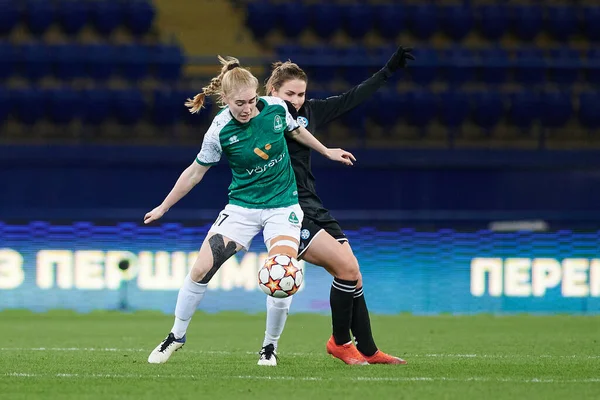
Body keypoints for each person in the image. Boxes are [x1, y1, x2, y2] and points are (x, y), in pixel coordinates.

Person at [145, 56, 355, 364]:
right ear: (226, 100)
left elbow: (295, 131)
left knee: (282, 270)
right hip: (242, 207)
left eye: (252, 100)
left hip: (282, 206)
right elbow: (194, 172)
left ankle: (269, 347)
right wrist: (164, 206)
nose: (247, 108)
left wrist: (326, 151)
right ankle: (176, 335)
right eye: (240, 103)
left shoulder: (275, 109)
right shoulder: (219, 131)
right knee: (201, 268)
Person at [256, 46, 415, 366]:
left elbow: (351, 98)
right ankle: (341, 343)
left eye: (301, 94)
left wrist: (387, 72)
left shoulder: (309, 113)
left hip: (312, 204)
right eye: (290, 94)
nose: (297, 101)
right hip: (285, 209)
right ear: (272, 91)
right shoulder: (263, 117)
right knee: (347, 269)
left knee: (352, 272)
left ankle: (368, 350)